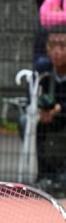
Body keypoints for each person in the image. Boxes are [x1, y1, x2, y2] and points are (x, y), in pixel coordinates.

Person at [34, 27, 66, 195]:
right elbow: (33, 94)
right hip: (48, 118)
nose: (57, 51)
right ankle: (44, 176)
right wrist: (42, 109)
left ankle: (62, 177)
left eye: (62, 46)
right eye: (52, 45)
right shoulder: (43, 69)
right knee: (37, 126)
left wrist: (59, 108)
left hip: (62, 115)